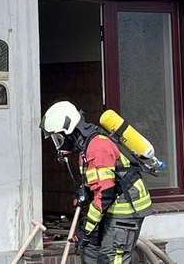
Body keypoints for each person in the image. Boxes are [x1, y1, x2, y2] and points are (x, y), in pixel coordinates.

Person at [42, 100, 153, 264]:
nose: (59, 144)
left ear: (69, 131)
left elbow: (105, 194)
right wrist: (84, 192)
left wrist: (86, 228)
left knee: (111, 258)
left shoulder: (97, 148)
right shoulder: (85, 150)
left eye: (58, 137)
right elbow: (96, 183)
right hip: (111, 205)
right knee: (90, 251)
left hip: (126, 209)